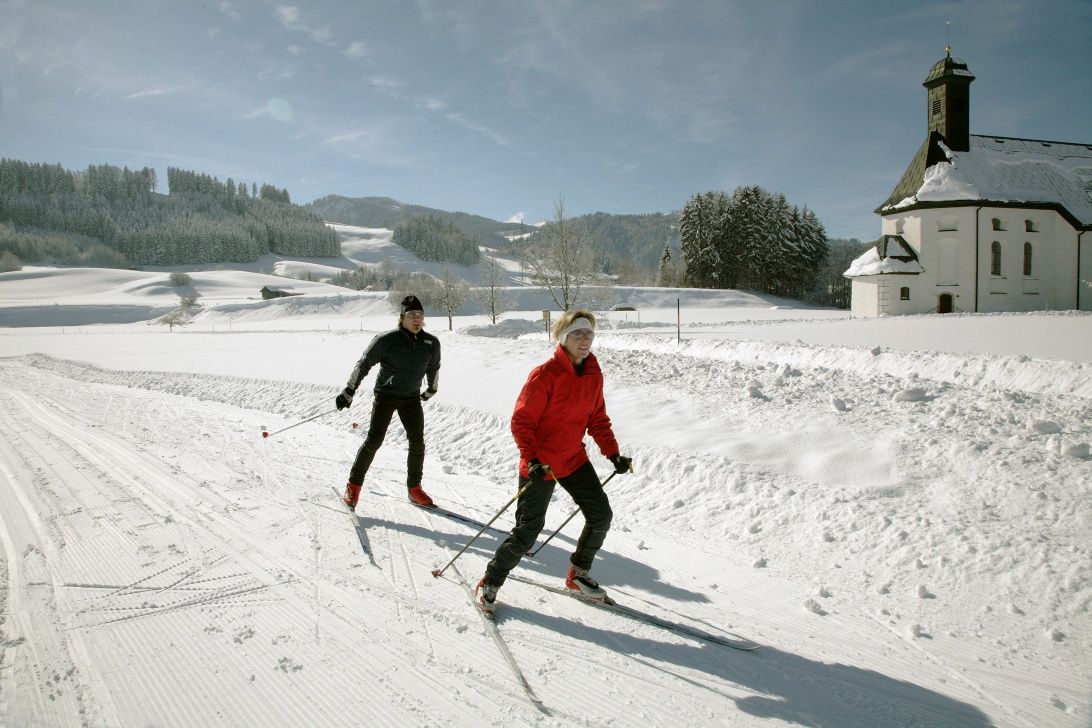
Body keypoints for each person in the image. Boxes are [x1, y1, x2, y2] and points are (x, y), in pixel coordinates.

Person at [477, 309, 632, 613]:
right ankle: (491, 580)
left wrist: (612, 453)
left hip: (572, 457)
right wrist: (531, 459)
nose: (584, 339)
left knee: (600, 515)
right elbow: (522, 422)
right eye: (577, 333)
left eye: (589, 333)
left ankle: (578, 574)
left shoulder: (592, 373)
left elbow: (597, 419)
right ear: (563, 338)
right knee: (527, 533)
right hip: (541, 463)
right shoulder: (545, 374)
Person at [336, 294, 441, 511]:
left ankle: (414, 488)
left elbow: (434, 367)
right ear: (402, 317)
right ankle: (353, 486)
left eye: (420, 314)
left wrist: (431, 388)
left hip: (411, 398)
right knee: (374, 440)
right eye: (412, 314)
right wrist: (349, 390)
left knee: (417, 442)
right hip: (386, 395)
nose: (417, 319)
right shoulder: (387, 340)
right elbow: (363, 364)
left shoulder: (431, 343)